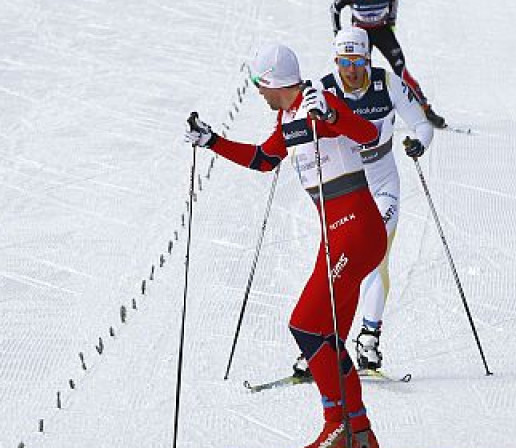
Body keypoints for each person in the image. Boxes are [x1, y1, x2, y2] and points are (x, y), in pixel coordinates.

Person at [185, 43, 383, 448]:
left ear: (274, 81)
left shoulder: (319, 102)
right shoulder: (289, 116)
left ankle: (339, 425)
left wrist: (332, 114)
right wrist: (211, 141)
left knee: (305, 326)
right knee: (326, 337)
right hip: (338, 234)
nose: (258, 92)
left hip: (357, 230)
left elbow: (369, 133)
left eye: (260, 85)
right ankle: (359, 433)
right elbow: (263, 159)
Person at [292, 28, 433, 376]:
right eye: (344, 62)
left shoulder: (389, 84)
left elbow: (422, 124)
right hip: (346, 189)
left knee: (374, 259)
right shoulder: (325, 88)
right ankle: (323, 343)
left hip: (383, 182)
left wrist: (419, 143)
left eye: (357, 62)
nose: (351, 70)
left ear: (368, 59)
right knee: (337, 264)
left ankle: (369, 340)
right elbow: (298, 131)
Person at [330, 0, 447, 128]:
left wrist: (391, 21)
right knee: (360, 74)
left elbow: (394, 3)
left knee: (402, 72)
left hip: (382, 31)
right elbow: (335, 8)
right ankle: (355, 113)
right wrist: (338, 34)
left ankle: (425, 110)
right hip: (361, 34)